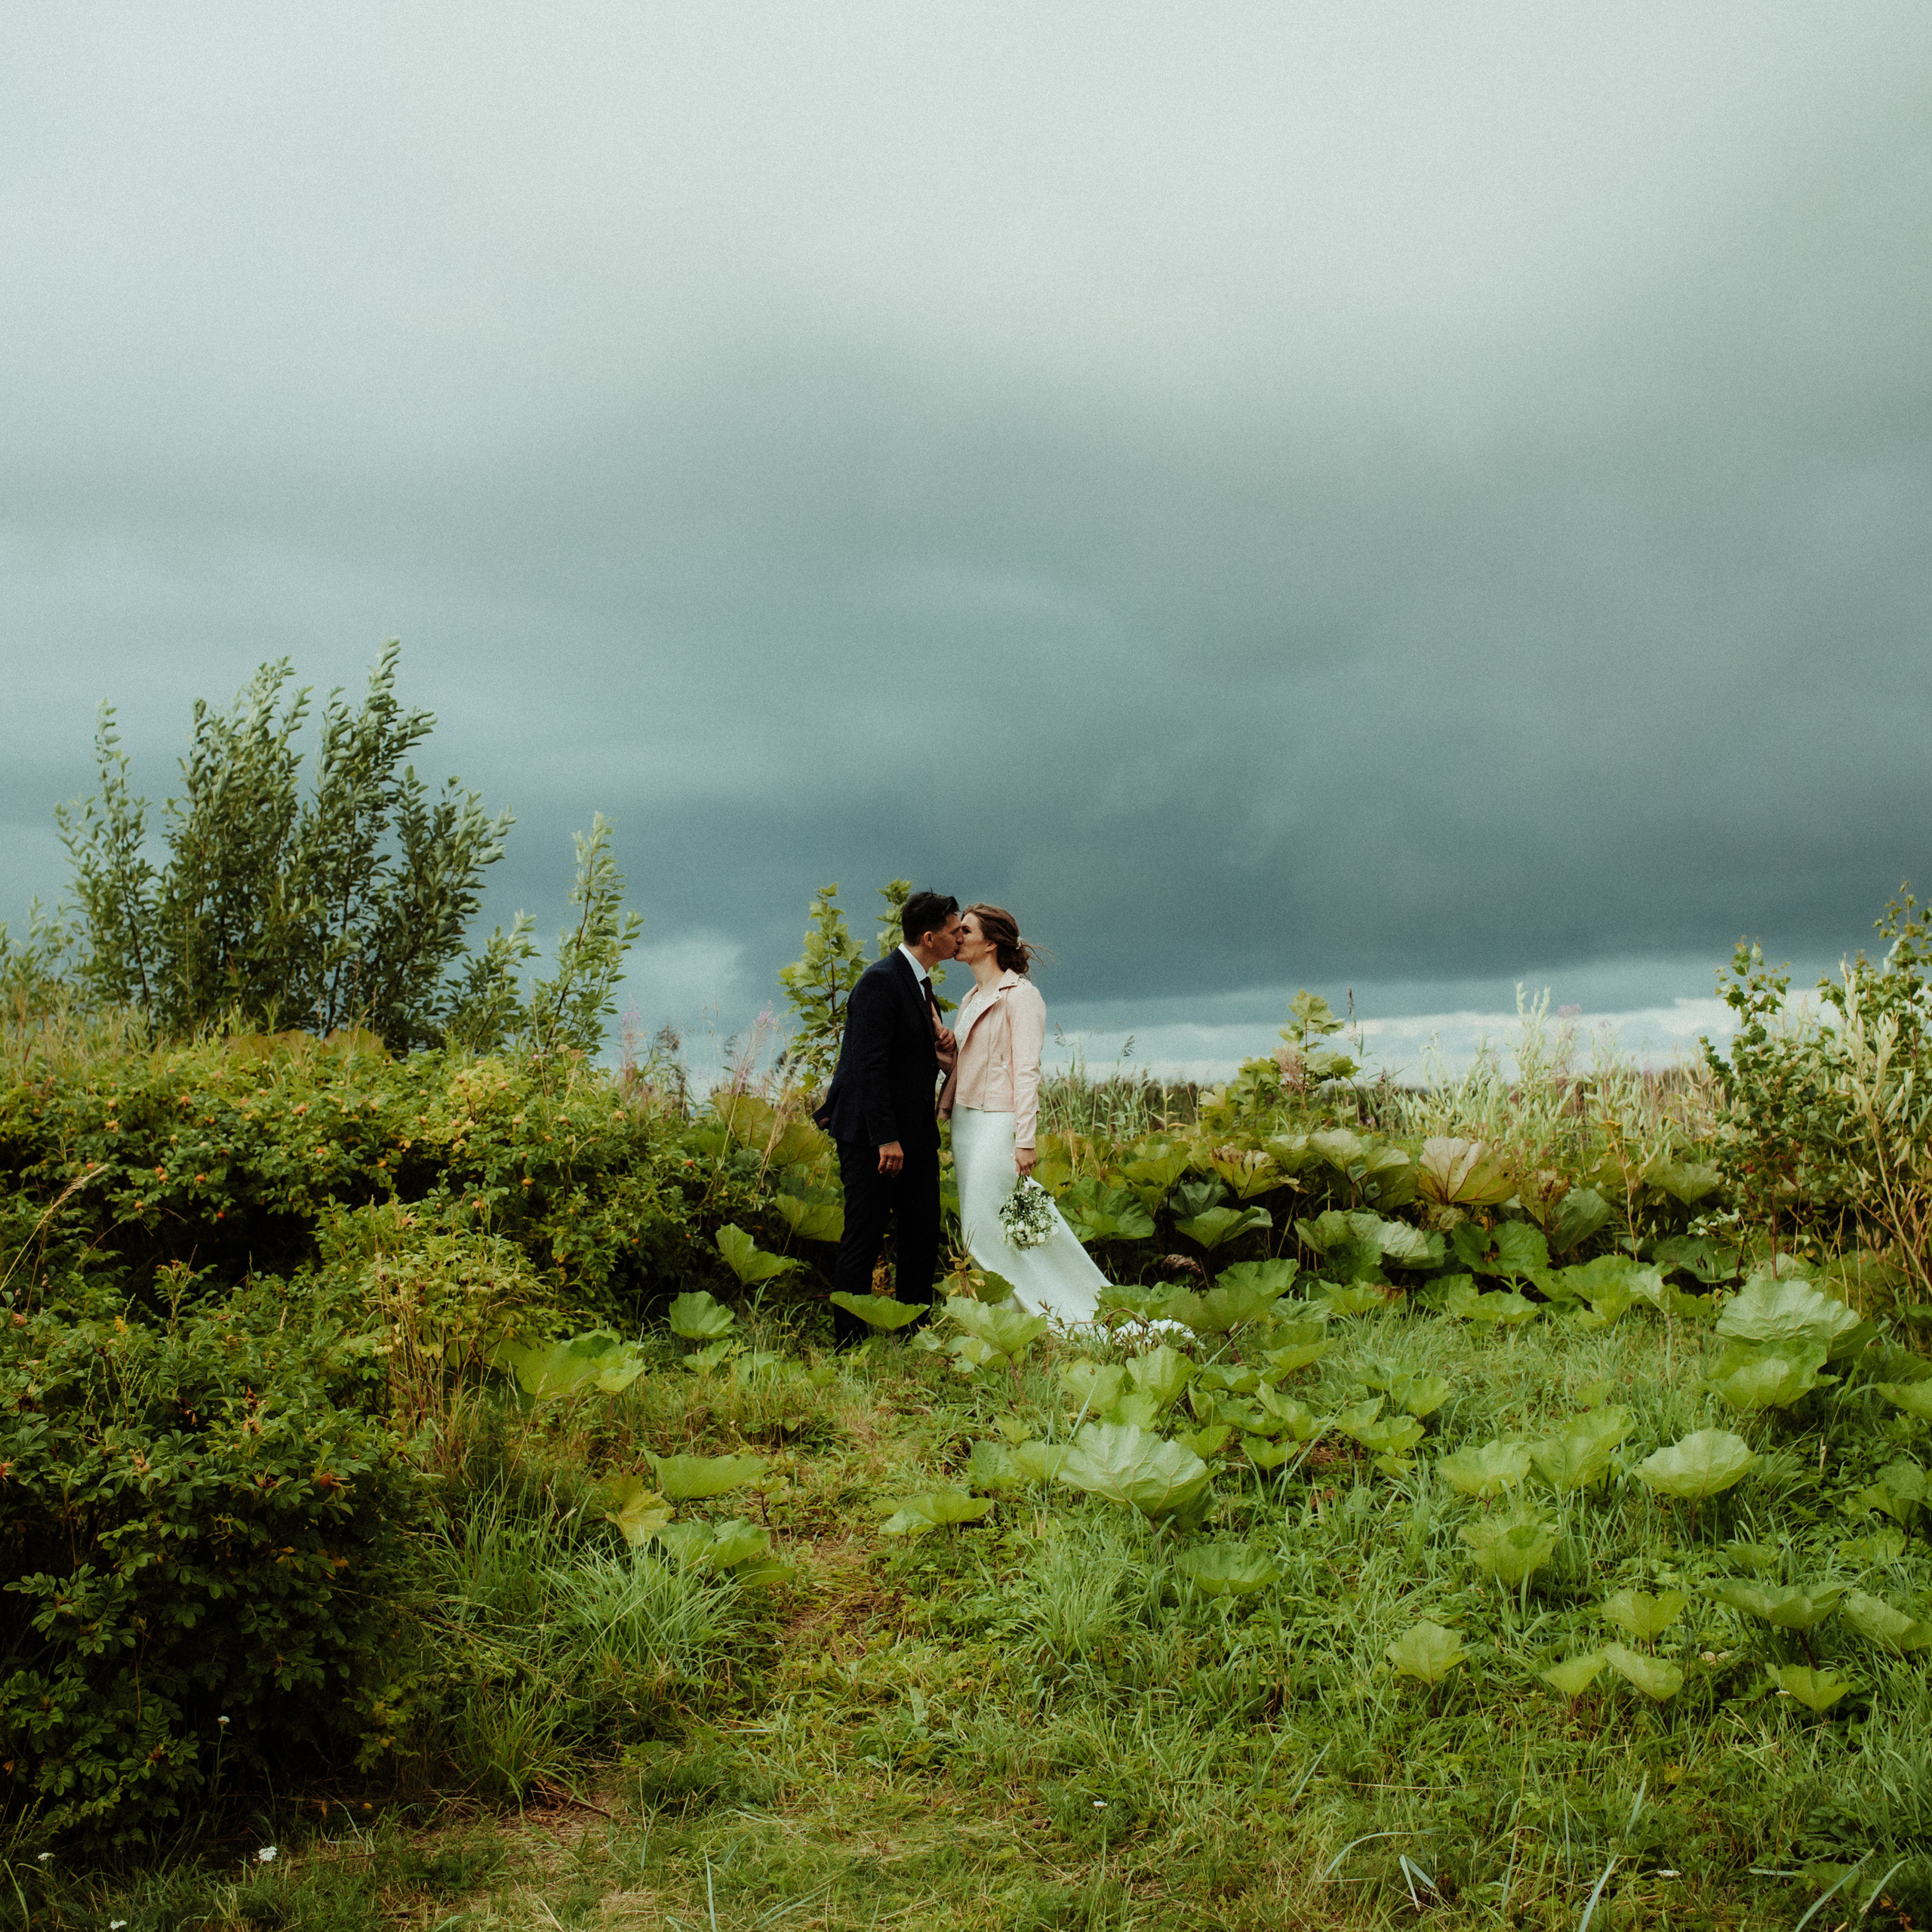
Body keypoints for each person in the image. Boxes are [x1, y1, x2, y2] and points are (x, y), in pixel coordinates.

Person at [941, 903, 1107, 1327]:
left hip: (1000, 1121)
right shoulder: (970, 997)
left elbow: (1027, 1070)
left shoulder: (1022, 996)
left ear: (990, 943)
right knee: (979, 1221)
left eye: (966, 931)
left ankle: (1057, 1308)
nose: (957, 937)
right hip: (965, 1120)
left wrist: (1025, 1139)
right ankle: (1006, 1314)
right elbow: (966, 1064)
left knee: (986, 1225)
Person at [815, 890, 961, 1346]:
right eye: (954, 931)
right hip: (871, 1137)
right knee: (864, 1234)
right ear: (929, 937)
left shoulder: (920, 983)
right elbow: (867, 1065)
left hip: (914, 1134)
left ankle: (915, 1333)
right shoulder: (880, 980)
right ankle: (848, 1343)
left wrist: (940, 1049)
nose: (960, 938)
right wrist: (885, 1139)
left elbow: (904, 1056)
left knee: (922, 1233)